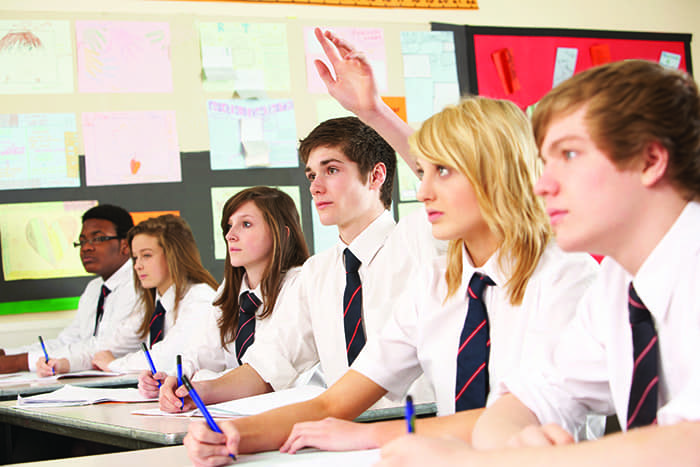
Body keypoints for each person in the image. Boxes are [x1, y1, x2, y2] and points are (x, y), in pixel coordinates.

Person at [183, 97, 599, 465]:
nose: (423, 191)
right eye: (425, 172)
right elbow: (335, 400)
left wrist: (369, 434)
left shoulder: (567, 276)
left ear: (495, 173)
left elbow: (521, 416)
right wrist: (236, 436)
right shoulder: (438, 283)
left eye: (443, 171)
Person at [378, 60, 700, 466]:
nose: (542, 184)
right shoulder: (619, 284)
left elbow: (691, 442)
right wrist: (516, 440)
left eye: (569, 154)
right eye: (546, 161)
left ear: (651, 160)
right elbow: (534, 395)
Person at [153, 186, 309, 404]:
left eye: (245, 224)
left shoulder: (302, 284)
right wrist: (179, 378)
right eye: (229, 226)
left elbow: (269, 372)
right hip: (238, 411)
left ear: (281, 234)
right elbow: (201, 353)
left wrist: (207, 383)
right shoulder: (231, 289)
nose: (230, 235)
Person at [40, 214, 218, 376]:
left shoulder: (200, 298)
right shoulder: (154, 303)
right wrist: (66, 364)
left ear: (174, 256)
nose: (138, 266)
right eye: (135, 258)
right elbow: (112, 345)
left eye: (146, 256)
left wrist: (115, 364)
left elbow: (168, 356)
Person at [0, 204, 138, 375]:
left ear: (125, 245)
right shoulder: (94, 289)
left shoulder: (139, 285)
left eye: (98, 239)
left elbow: (108, 347)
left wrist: (19, 362)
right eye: (82, 241)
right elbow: (68, 340)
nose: (86, 247)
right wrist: (8, 354)